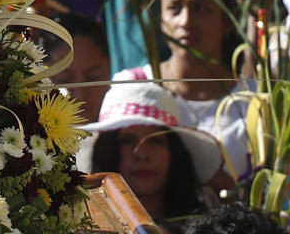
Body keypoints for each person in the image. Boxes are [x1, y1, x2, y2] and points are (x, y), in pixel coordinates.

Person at [116, 0, 252, 178]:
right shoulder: (133, 87)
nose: (185, 21)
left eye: (200, 8)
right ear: (160, 20)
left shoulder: (251, 101)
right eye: (174, 8)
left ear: (227, 20)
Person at [75, 81, 219, 228]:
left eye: (156, 141)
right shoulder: (79, 226)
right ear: (106, 152)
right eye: (127, 141)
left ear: (175, 153)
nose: (142, 154)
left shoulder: (208, 228)